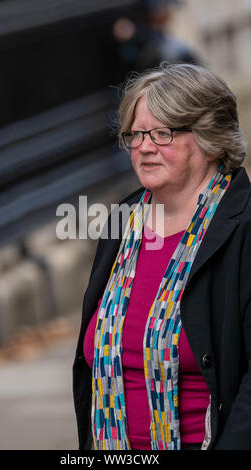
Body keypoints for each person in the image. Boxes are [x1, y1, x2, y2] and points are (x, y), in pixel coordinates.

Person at [73, 63, 251, 450]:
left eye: (162, 133)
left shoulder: (243, 228)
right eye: (135, 135)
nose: (144, 147)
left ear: (210, 138)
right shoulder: (123, 223)